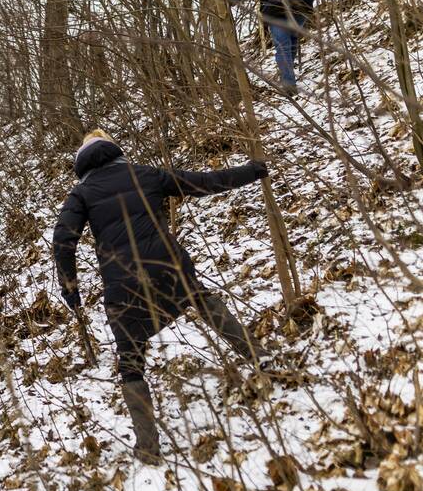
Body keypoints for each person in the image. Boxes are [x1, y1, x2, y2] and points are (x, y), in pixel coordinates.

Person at [52, 130, 271, 465]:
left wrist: (70, 287)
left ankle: (149, 448)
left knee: (130, 361)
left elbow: (63, 240)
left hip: (124, 287)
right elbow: (203, 183)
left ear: (82, 163)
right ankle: (260, 359)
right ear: (114, 150)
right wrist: (252, 171)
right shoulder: (144, 173)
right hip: (168, 267)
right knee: (202, 301)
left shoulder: (81, 194)